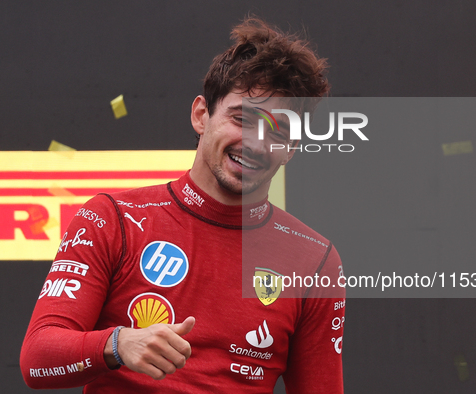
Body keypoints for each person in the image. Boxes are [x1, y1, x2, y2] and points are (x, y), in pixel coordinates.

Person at [21, 17, 346, 393]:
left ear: (290, 149)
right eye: (242, 119)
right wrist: (118, 344)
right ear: (201, 115)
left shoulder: (315, 260)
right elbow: (37, 359)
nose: (256, 144)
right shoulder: (112, 217)